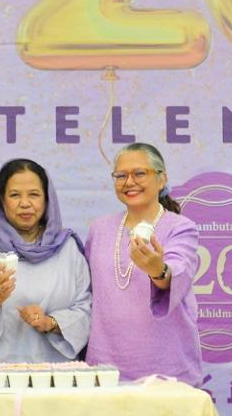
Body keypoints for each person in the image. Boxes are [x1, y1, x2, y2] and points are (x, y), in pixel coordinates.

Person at [85, 142, 203, 385]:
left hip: (166, 369)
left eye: (139, 173)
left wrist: (157, 270)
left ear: (161, 180)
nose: (129, 182)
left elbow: (175, 270)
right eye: (121, 175)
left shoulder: (181, 227)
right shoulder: (100, 229)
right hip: (105, 370)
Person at [0, 158, 91, 363]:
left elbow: (85, 309)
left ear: (47, 200)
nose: (25, 203)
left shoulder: (67, 246)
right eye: (14, 195)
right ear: (2, 200)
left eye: (34, 195)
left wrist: (50, 323)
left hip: (55, 372)